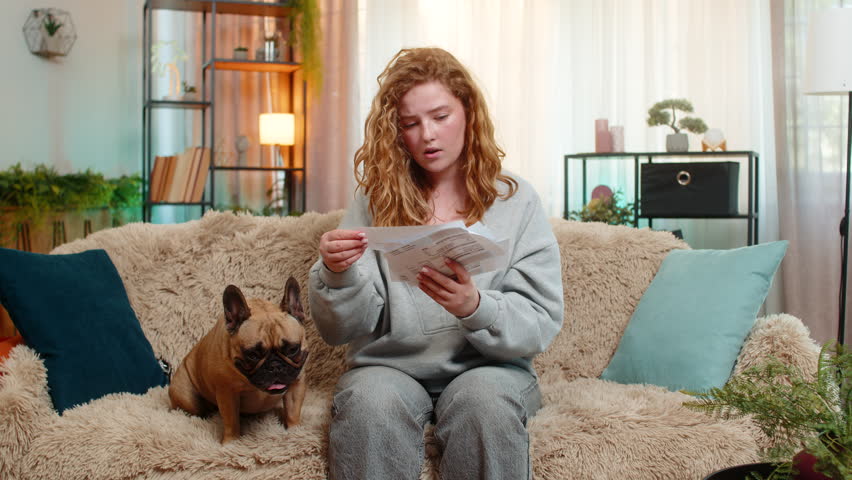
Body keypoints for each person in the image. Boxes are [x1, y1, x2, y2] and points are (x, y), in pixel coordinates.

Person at [308, 47, 564, 480]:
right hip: (388, 369)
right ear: (397, 132)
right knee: (369, 403)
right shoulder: (374, 202)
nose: (427, 135)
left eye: (441, 117)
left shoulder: (516, 199)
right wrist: (337, 273)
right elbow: (338, 331)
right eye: (410, 123)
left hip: (491, 370)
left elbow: (539, 321)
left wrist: (475, 306)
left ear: (469, 113)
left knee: (484, 401)